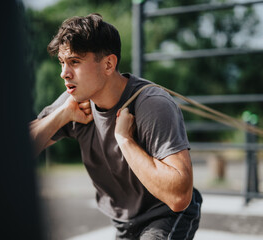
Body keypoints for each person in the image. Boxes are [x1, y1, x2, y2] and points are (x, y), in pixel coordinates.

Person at [29, 13, 202, 240]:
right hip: (125, 222)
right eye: (62, 63)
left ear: (109, 64)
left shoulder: (152, 104)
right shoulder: (75, 100)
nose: (64, 73)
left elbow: (179, 197)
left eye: (75, 62)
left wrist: (125, 139)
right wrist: (61, 115)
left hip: (165, 214)